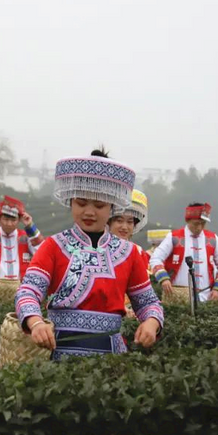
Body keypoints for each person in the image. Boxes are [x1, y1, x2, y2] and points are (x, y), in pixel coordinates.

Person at [15, 149, 163, 360]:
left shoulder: (128, 253)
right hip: (58, 355)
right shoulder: (53, 246)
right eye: (81, 204)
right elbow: (27, 292)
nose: (89, 212)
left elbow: (148, 303)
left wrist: (151, 322)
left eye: (99, 205)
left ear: (112, 207)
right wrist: (35, 322)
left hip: (112, 359)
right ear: (71, 202)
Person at [149, 203, 218, 304]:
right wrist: (163, 278)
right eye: (196, 224)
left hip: (206, 297)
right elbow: (156, 258)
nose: (200, 227)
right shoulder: (174, 237)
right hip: (177, 297)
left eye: (203, 223)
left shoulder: (213, 239)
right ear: (187, 220)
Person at [108, 189, 150, 317]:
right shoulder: (98, 249)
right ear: (109, 222)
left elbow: (144, 291)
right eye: (119, 221)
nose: (125, 227)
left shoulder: (138, 252)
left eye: (130, 222)